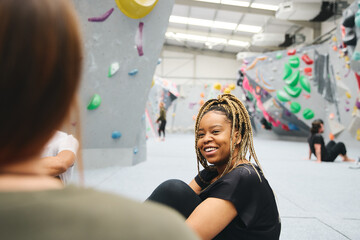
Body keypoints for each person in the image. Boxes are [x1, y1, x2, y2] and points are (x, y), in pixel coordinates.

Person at [0, 1, 199, 239]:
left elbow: (62, 163)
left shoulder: (65, 140)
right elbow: (58, 164)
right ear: (62, 92)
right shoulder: (158, 230)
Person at [147, 94, 281, 240]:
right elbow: (173, 204)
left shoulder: (244, 176)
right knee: (174, 192)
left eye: (215, 132)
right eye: (200, 134)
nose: (206, 139)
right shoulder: (210, 174)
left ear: (237, 136)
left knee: (173, 188)